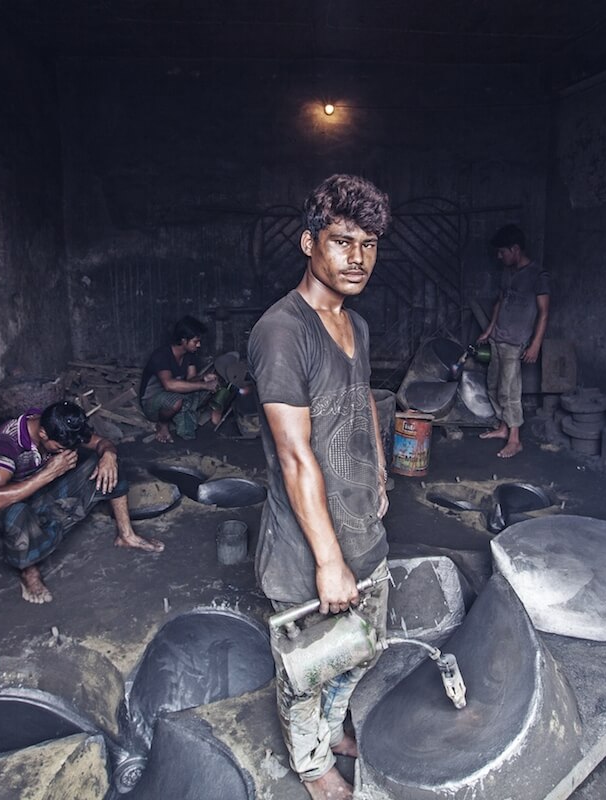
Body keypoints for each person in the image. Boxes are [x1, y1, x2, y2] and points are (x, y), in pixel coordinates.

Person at [248, 174, 392, 800]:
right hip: (309, 542)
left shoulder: (355, 325)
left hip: (362, 519)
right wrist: (328, 562)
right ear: (309, 243)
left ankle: (332, 730)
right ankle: (312, 766)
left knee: (360, 647)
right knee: (308, 665)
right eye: (342, 242)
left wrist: (380, 470)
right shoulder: (282, 332)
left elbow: (362, 400)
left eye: (369, 243)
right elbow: (294, 454)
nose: (358, 258)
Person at [0, 400, 164, 604]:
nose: (64, 451)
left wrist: (109, 454)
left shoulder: (61, 424)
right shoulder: (7, 442)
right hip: (19, 507)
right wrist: (47, 474)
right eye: (60, 448)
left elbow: (100, 443)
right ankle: (28, 571)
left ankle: (126, 535)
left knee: (107, 464)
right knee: (14, 513)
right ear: (43, 434)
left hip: (47, 494)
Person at [476, 223, 551, 458]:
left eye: (502, 251)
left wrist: (536, 343)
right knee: (493, 386)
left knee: (510, 390)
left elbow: (544, 312)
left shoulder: (538, 276)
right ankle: (502, 428)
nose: (499, 256)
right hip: (498, 338)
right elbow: (500, 302)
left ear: (515, 248)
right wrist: (489, 330)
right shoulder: (507, 273)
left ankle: (515, 439)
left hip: (516, 342)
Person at [139, 315, 221, 443]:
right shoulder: (161, 355)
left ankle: (185, 412)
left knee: (210, 390)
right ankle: (163, 424)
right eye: (195, 341)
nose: (198, 345)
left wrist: (204, 378)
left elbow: (191, 380)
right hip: (152, 402)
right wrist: (204, 385)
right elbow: (169, 385)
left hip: (174, 394)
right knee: (176, 401)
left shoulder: (189, 355)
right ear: (183, 340)